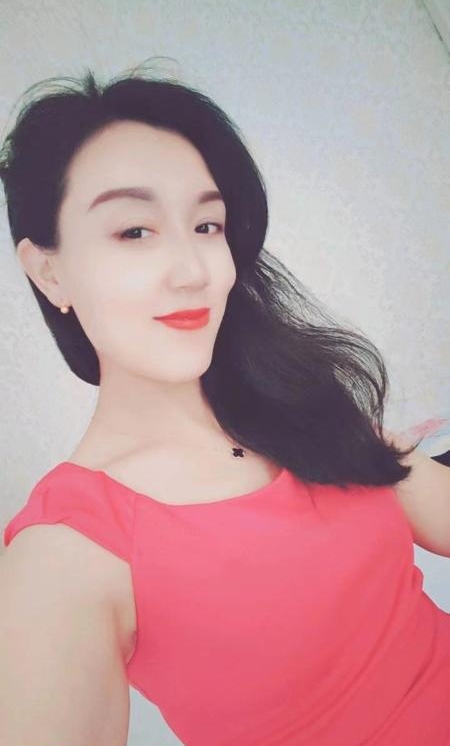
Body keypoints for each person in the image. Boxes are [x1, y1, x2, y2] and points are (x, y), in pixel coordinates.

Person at [0, 64, 449, 746]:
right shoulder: (64, 554)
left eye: (207, 225)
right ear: (48, 271)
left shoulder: (298, 401)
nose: (194, 270)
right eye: (134, 231)